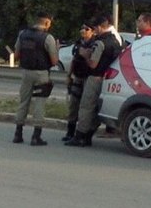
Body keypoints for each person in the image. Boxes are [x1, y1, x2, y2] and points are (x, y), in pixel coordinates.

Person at [66, 15, 122, 147]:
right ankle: (89, 134)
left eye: (95, 27)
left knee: (86, 107)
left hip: (94, 78)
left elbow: (92, 64)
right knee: (97, 108)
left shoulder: (100, 43)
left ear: (99, 27)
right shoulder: (115, 41)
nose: (94, 30)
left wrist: (85, 55)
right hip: (108, 79)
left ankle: (80, 136)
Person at [12, 12, 59, 145]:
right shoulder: (47, 38)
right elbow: (54, 61)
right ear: (47, 23)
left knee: (23, 101)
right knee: (39, 103)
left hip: (26, 72)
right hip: (41, 74)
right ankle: (36, 136)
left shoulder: (23, 34)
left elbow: (16, 55)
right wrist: (57, 49)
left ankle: (18, 133)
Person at [62, 23, 95, 142]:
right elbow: (74, 60)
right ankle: (70, 132)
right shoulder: (78, 43)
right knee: (73, 105)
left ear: (92, 31)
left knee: (85, 107)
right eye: (81, 28)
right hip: (77, 77)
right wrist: (69, 75)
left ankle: (82, 134)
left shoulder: (94, 44)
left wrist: (86, 54)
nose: (83, 31)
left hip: (88, 78)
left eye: (87, 29)